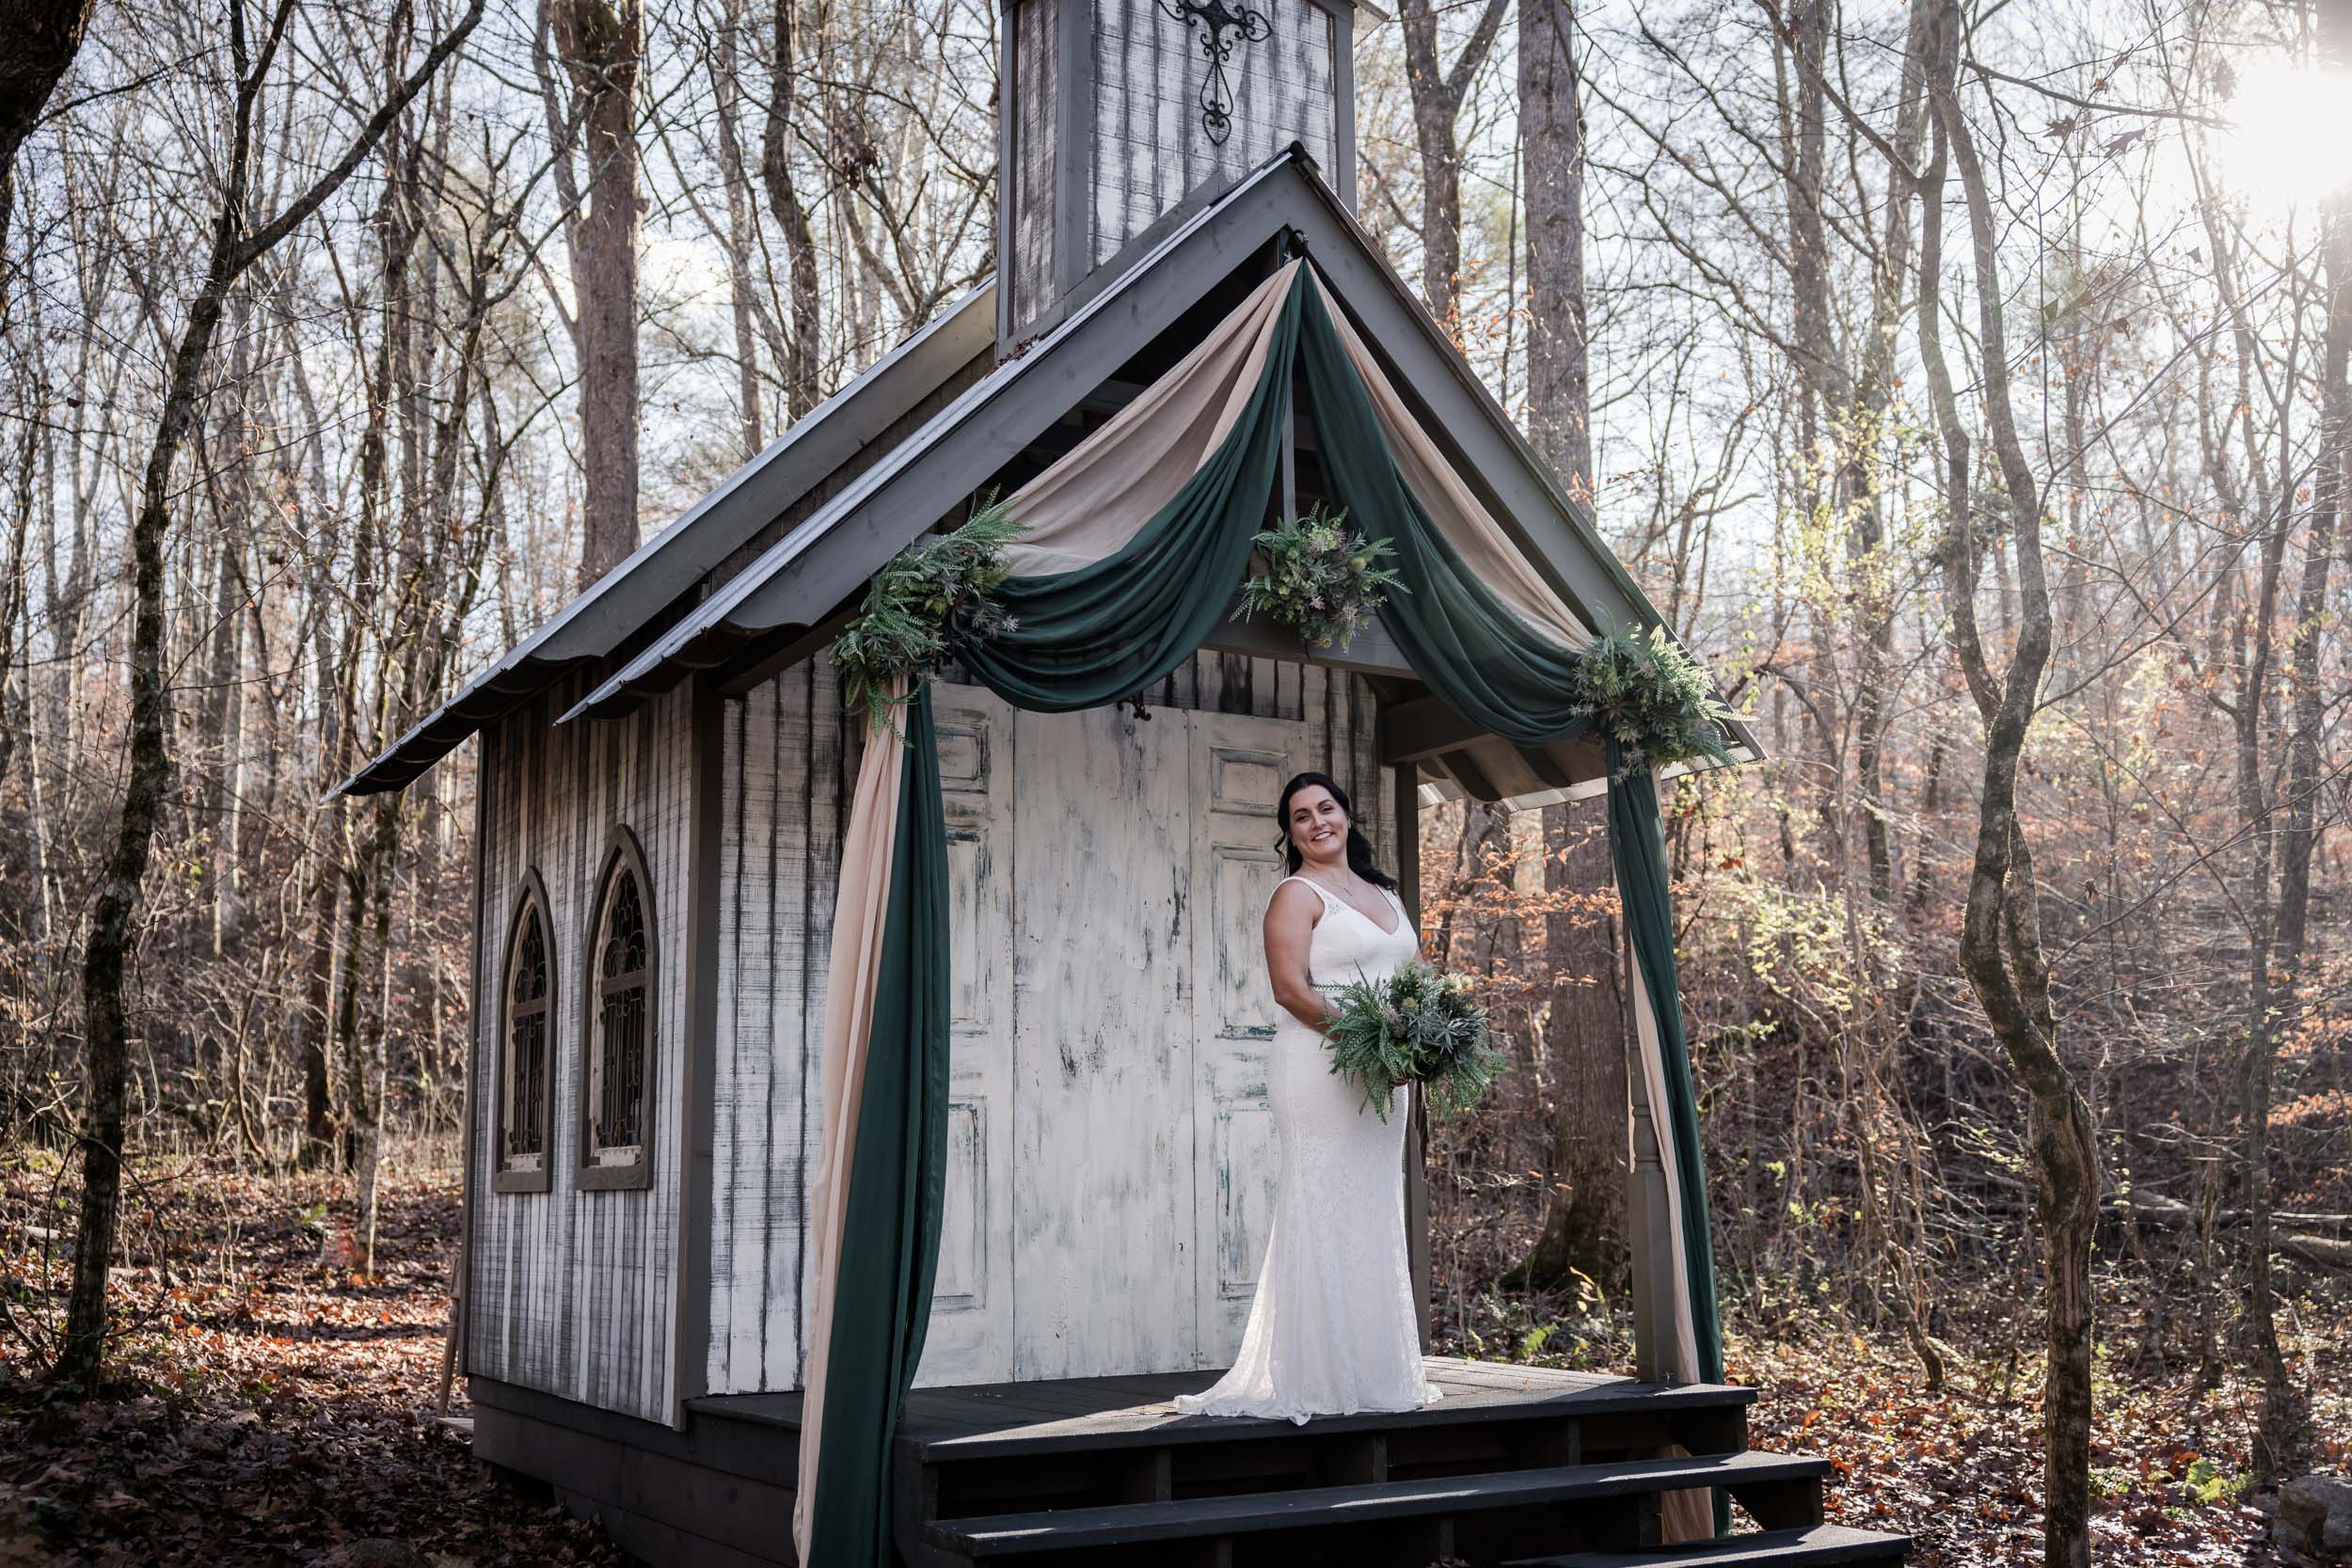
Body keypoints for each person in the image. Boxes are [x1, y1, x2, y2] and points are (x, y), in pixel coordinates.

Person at [1173, 771, 1441, 1423]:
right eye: (1300, 816)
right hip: (1320, 1068)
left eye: (1326, 807)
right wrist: (1373, 1039)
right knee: (1322, 1203)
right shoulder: (1296, 894)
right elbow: (1291, 989)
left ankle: (1375, 1370)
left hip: (1386, 1076)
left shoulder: (1385, 893)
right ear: (1290, 832)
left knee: (1374, 1207)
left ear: (1347, 814)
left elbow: (1409, 977)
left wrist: (1420, 1042)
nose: (1317, 821)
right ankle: (1320, 1375)